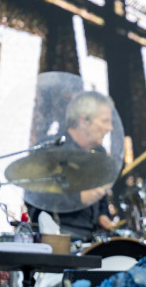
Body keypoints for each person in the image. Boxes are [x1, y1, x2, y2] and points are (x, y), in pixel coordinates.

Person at [26, 91, 116, 242]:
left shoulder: (99, 153)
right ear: (83, 121)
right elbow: (34, 195)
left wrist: (102, 214)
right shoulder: (49, 149)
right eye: (105, 121)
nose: (110, 128)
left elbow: (100, 196)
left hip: (91, 239)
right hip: (55, 238)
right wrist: (78, 198)